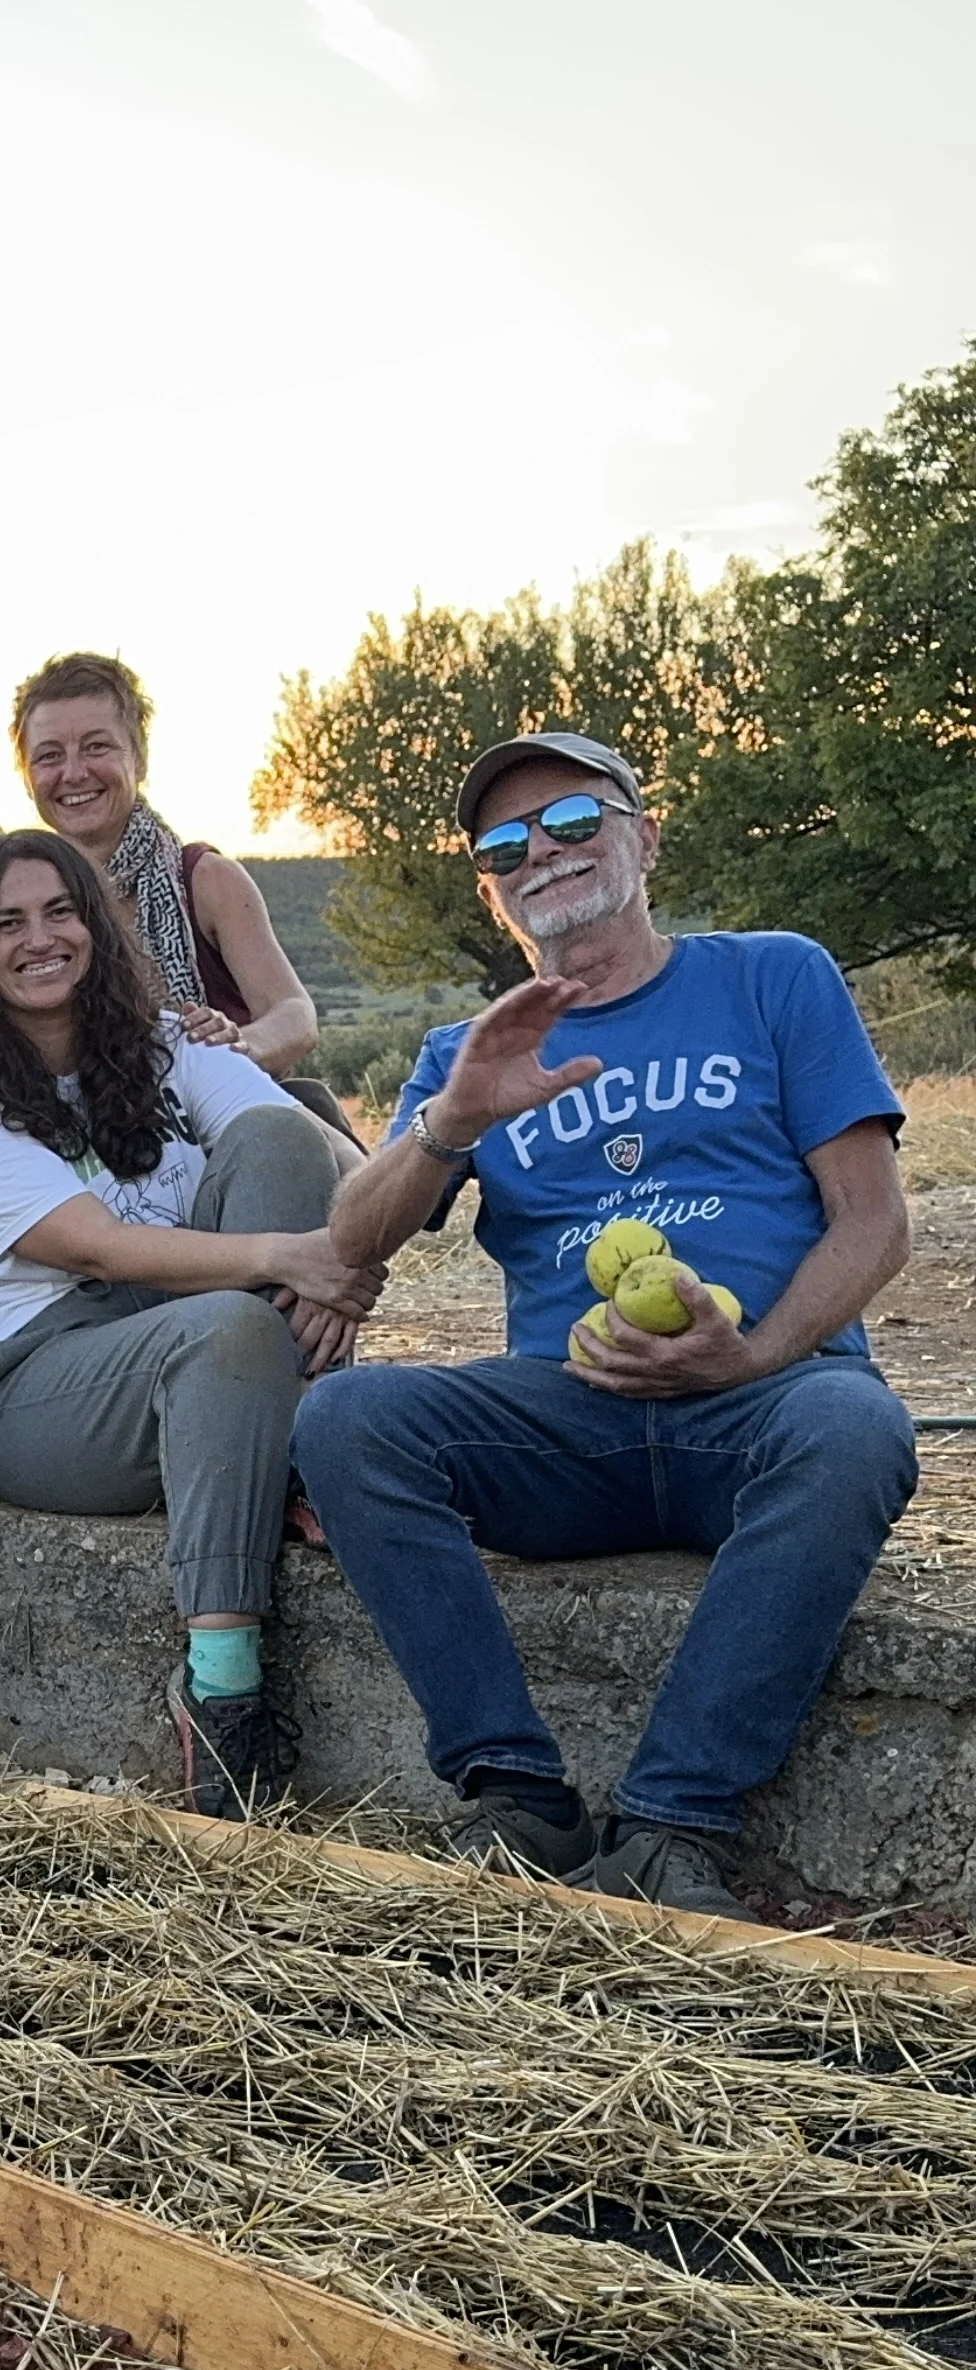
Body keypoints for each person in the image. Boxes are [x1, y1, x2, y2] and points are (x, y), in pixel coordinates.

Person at [293, 733, 915, 1916]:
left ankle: (674, 1826)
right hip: (571, 1424)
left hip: (768, 1404)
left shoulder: (774, 976)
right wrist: (452, 1119)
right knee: (351, 1419)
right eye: (504, 845)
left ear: (644, 835)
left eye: (575, 820)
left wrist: (757, 1350)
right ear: (490, 889)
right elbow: (351, 1240)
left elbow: (876, 1225)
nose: (543, 854)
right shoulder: (465, 1053)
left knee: (857, 1425)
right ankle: (519, 1798)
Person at [0, 831, 377, 1820]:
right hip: (45, 1386)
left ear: (96, 925)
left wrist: (352, 1258)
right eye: (8, 923)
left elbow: (318, 1157)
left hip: (195, 1326)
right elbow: (93, 1249)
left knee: (275, 1131)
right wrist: (285, 1260)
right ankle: (220, 1689)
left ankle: (299, 1450)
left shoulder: (169, 1044)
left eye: (59, 912)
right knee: (228, 1329)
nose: (39, 938)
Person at [7, 652, 332, 1093]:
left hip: (221, 1117)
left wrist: (232, 1048)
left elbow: (295, 1015)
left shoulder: (205, 879)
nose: (74, 772)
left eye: (96, 746)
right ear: (26, 777)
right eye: (49, 756)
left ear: (139, 759)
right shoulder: (14, 903)